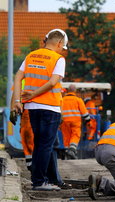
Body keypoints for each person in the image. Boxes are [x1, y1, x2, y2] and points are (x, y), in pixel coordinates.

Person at [10, 28, 68, 191]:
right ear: (59, 43)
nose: (62, 49)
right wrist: (33, 94)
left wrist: (17, 100)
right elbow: (52, 82)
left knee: (41, 144)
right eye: (62, 47)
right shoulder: (58, 59)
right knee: (45, 145)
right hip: (50, 108)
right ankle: (39, 181)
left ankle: (48, 179)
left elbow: (18, 76)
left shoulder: (31, 55)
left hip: (32, 109)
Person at [61, 84, 90, 159]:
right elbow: (84, 112)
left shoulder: (62, 99)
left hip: (64, 121)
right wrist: (88, 120)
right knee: (75, 135)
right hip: (75, 121)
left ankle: (67, 152)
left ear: (67, 90)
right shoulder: (78, 100)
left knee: (66, 136)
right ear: (75, 91)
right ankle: (72, 150)